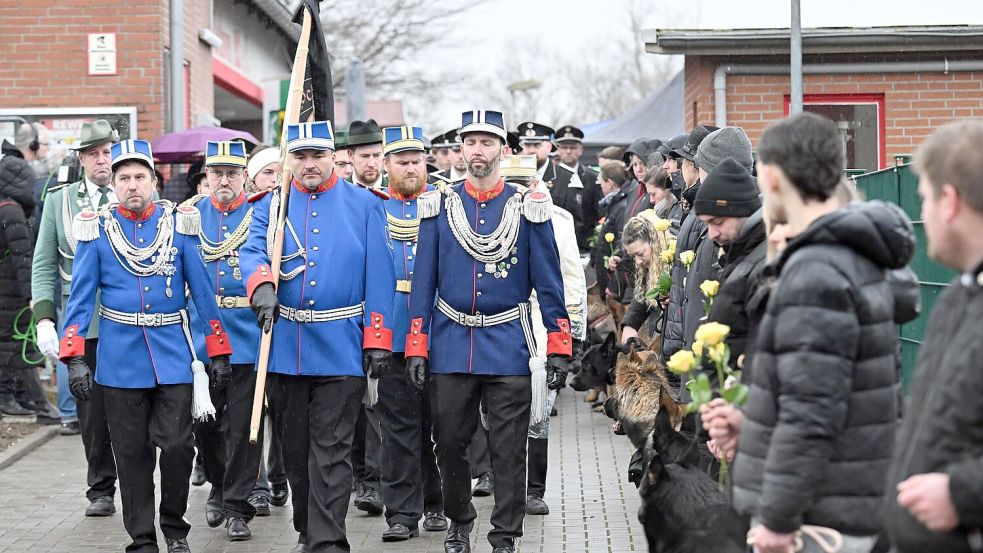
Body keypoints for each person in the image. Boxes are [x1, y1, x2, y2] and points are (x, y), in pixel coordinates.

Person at [708, 112, 914, 553]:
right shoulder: (843, 258)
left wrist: (778, 520)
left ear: (774, 177)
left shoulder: (816, 271)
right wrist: (753, 425)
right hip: (843, 503)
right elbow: (822, 393)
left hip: (821, 520)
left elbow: (810, 416)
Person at [405, 109, 573, 553]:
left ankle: (505, 535)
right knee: (450, 443)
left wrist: (559, 343)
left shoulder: (527, 206)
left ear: (503, 149)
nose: (477, 151)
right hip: (450, 343)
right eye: (470, 142)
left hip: (508, 342)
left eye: (486, 142)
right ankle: (460, 520)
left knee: (508, 448)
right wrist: (417, 345)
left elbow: (549, 280)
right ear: (461, 149)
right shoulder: (439, 204)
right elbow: (423, 280)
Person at [59, 138, 234, 553]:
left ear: (154, 181)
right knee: (132, 456)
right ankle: (142, 540)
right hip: (119, 360)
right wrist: (75, 356)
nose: (132, 185)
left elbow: (203, 290)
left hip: (174, 355)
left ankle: (175, 528)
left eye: (140, 177)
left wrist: (218, 349)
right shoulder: (96, 229)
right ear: (114, 184)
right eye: (124, 178)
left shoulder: (180, 223)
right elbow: (81, 297)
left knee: (176, 447)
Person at [241, 120, 394, 553]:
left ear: (334, 157)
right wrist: (261, 284)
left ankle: (328, 542)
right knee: (294, 451)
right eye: (300, 156)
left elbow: (380, 275)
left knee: (331, 448)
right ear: (289, 159)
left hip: (342, 344)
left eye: (317, 156)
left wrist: (377, 339)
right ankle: (309, 529)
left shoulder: (366, 205)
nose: (309, 165)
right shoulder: (270, 206)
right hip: (285, 345)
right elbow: (251, 251)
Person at [883, 120, 983, 552]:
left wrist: (963, 493)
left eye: (923, 196)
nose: (920, 212)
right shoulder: (963, 296)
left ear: (949, 201)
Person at [31, 119, 120, 516]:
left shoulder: (132, 192)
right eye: (94, 154)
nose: (102, 160)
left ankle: (138, 481)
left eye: (107, 152)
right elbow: (44, 264)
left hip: (131, 319)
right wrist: (45, 318)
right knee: (91, 410)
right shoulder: (59, 201)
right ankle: (100, 488)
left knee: (133, 407)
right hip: (83, 324)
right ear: (82, 159)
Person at [184, 140, 265, 541]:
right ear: (207, 177)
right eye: (217, 173)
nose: (225, 181)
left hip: (247, 334)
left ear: (244, 176)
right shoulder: (189, 215)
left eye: (233, 173)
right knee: (206, 425)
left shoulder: (260, 214)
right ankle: (216, 483)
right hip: (201, 337)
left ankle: (237, 505)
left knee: (243, 427)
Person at [500, 153, 587, 516]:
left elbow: (571, 277)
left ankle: (534, 489)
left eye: (525, 184)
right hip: (501, 324)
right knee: (497, 409)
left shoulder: (558, 219)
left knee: (539, 407)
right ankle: (498, 477)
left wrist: (573, 334)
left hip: (541, 323)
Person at [374, 126, 447, 542]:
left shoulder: (443, 205)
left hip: (439, 331)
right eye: (401, 161)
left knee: (442, 426)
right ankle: (402, 512)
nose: (410, 168)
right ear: (387, 166)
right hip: (393, 335)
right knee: (399, 427)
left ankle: (437, 502)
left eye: (417, 160)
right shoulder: (373, 208)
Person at [0, 121, 55, 419]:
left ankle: (22, 398)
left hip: (7, 285)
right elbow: (23, 258)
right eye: (44, 146)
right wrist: (34, 296)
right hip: (10, 288)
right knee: (12, 343)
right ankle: (9, 398)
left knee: (12, 343)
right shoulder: (13, 210)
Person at [692, 157, 765, 375]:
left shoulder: (762, 262)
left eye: (718, 222)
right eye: (707, 224)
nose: (712, 234)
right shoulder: (739, 253)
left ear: (742, 211)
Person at [661, 125, 716, 383]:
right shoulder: (693, 206)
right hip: (682, 333)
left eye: (680, 161)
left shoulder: (702, 211)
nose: (676, 169)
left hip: (690, 340)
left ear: (695, 165)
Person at [519, 121, 588, 250]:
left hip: (556, 250)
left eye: (537, 145)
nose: (531, 150)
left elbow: (575, 224)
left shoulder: (567, 177)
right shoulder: (512, 177)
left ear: (549, 147)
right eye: (527, 145)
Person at [555, 125, 602, 252]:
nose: (568, 151)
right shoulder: (550, 178)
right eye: (564, 147)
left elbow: (599, 212)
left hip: (585, 246)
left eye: (573, 147)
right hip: (557, 245)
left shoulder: (593, 178)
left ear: (580, 150)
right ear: (558, 150)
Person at [348, 119, 386, 190]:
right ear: (350, 155)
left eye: (376, 155)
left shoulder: (397, 194)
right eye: (364, 156)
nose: (371, 164)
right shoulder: (337, 194)